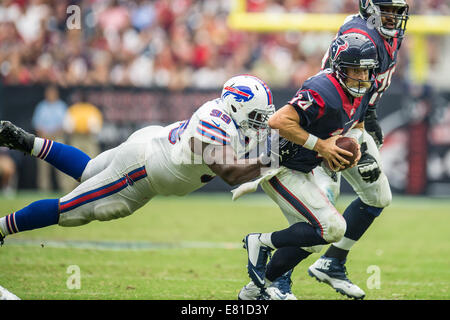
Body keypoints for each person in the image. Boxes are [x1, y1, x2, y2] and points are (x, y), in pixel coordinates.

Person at [0, 75, 275, 247]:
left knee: (87, 170)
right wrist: (272, 160)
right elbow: (229, 172)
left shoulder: (235, 122)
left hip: (151, 146)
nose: (261, 123)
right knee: (70, 210)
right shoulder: (216, 121)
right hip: (142, 170)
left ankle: (26, 142)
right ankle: (1, 227)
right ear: (237, 106)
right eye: (257, 116)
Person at [235, 33, 378, 300]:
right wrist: (321, 146)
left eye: (365, 70)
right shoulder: (323, 89)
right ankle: (260, 242)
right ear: (338, 68)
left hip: (303, 168)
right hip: (280, 165)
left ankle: (256, 289)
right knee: (333, 228)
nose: (361, 76)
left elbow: (357, 125)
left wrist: (354, 145)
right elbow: (278, 121)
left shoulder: (364, 88)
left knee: (313, 240)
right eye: (354, 69)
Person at [307, 0, 409, 299]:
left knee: (378, 197)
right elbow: (334, 89)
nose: (394, 17)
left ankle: (332, 261)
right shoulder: (361, 36)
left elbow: (368, 85)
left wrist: (370, 113)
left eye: (398, 11)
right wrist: (343, 137)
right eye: (388, 9)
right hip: (333, 124)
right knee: (322, 209)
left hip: (356, 119)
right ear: (370, 7)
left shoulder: (387, 33)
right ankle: (275, 278)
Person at [31, 85, 68, 192]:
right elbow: (37, 124)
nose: (50, 95)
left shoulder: (62, 106)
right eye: (49, 93)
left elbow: (65, 124)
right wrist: (45, 134)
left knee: (62, 165)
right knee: (43, 167)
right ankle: (44, 189)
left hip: (58, 138)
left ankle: (64, 189)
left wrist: (54, 133)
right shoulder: (41, 106)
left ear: (57, 94)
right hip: (44, 139)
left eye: (52, 93)